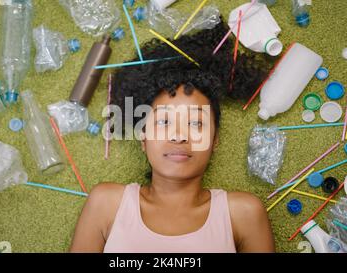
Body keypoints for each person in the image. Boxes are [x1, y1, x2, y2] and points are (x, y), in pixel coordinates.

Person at [70, 19, 275, 253]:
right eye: (164, 121)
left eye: (196, 123)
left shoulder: (244, 214)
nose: (179, 137)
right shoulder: (106, 204)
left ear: (215, 139)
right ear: (143, 137)